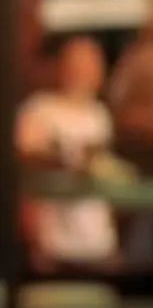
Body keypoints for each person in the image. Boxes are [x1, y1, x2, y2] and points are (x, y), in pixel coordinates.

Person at [16, 36, 119, 269]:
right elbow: (24, 174)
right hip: (55, 244)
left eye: (90, 64)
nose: (83, 72)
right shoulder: (38, 109)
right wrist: (34, 242)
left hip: (98, 244)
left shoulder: (100, 114)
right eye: (76, 64)